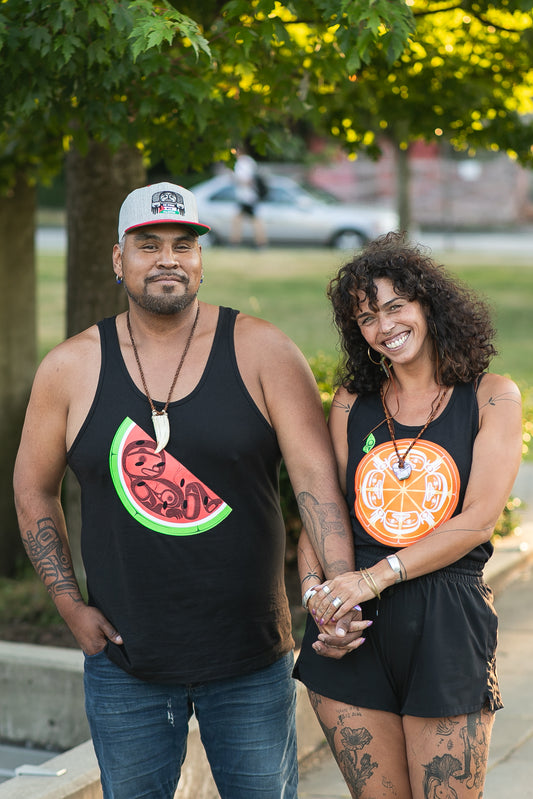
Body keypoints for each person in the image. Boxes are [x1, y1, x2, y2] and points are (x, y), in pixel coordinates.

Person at [13, 181, 365, 799]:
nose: (168, 259)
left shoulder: (264, 351)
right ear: (119, 260)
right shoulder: (70, 367)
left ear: (202, 259)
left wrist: (336, 594)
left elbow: (316, 485)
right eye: (148, 245)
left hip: (252, 660)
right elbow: (32, 489)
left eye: (183, 245)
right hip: (126, 664)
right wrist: (69, 605)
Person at [293, 231, 523, 798]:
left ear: (428, 305)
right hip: (351, 630)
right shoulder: (352, 401)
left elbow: (477, 520)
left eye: (396, 306)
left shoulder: (491, 396)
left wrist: (368, 580)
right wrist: (319, 600)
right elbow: (323, 512)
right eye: (368, 317)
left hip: (446, 617)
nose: (385, 326)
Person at [230, 148, 268, 248]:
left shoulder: (243, 162)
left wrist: (237, 180)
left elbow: (246, 179)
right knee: (240, 219)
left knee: (253, 220)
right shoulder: (248, 161)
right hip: (247, 196)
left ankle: (260, 242)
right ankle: (238, 241)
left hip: (248, 197)